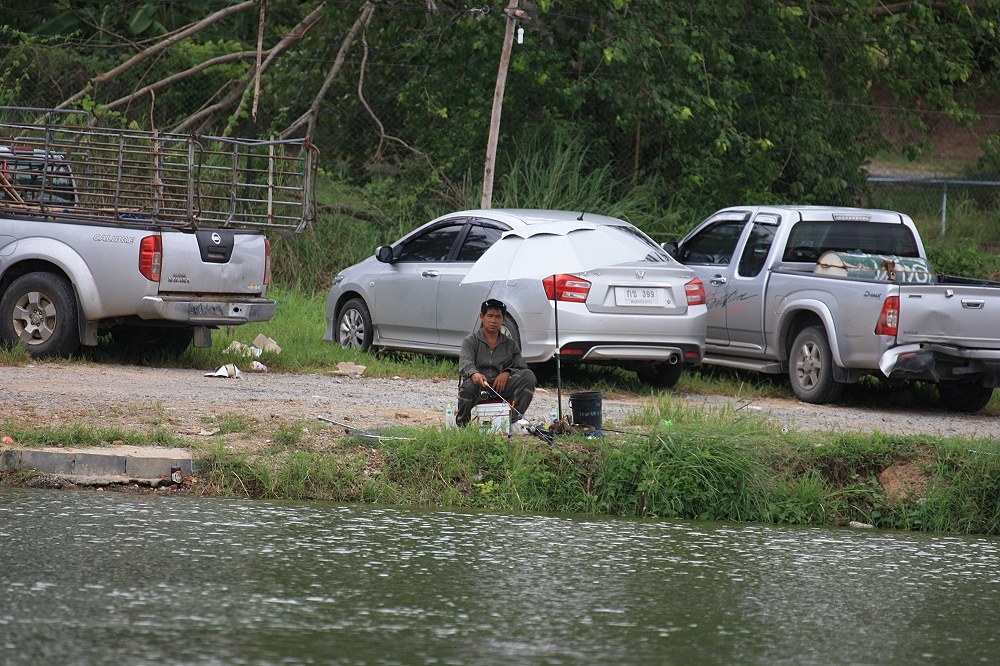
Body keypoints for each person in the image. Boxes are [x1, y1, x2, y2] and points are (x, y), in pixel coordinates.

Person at [457, 298, 536, 427]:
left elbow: (521, 366)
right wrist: (474, 374)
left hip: (501, 387)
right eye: (490, 316)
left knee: (528, 376)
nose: (493, 321)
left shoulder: (510, 343)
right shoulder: (470, 341)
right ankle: (462, 425)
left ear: (503, 320)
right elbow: (466, 363)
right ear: (482, 317)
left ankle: (512, 421)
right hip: (479, 385)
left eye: (498, 317)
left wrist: (507, 372)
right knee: (468, 387)